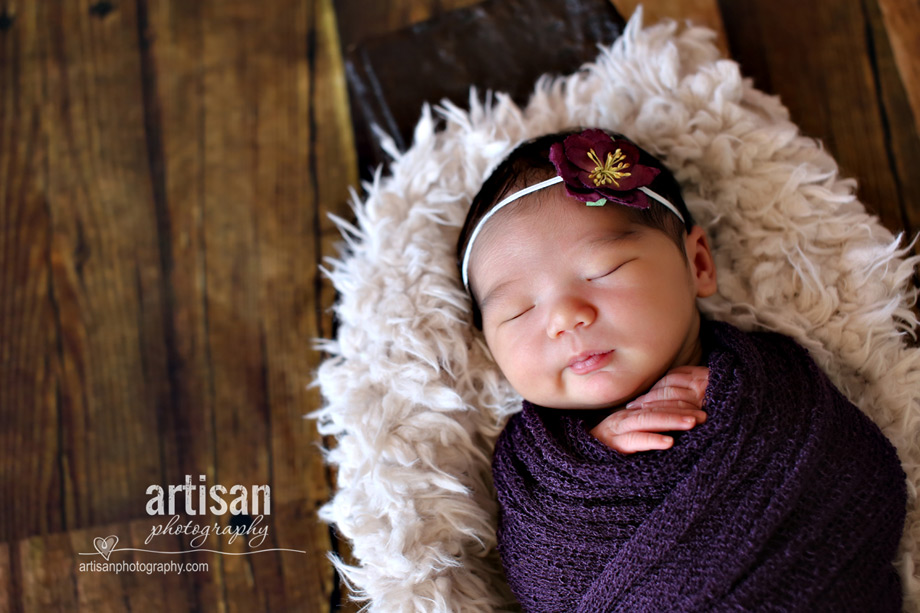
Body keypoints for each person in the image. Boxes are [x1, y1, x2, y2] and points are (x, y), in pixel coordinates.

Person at [456, 129, 907, 612]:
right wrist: (596, 466)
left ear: (698, 264)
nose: (565, 317)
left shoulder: (777, 387)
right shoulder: (533, 472)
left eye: (603, 270)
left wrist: (745, 405)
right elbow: (544, 577)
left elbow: (862, 478)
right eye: (519, 311)